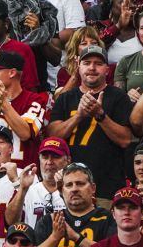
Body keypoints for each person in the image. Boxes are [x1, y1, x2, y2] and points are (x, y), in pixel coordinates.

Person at [47, 45, 133, 195]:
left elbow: (125, 140)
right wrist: (78, 116)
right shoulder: (66, 98)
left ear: (107, 69)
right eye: (87, 63)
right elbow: (53, 137)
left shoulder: (119, 97)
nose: (92, 68)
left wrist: (100, 115)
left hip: (106, 188)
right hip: (68, 188)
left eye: (98, 64)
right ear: (78, 67)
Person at [0, 50, 49, 164]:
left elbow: (25, 134)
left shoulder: (34, 100)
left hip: (21, 174)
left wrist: (3, 103)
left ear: (12, 73)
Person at [5, 137, 71, 228]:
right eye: (45, 157)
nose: (49, 162)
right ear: (39, 159)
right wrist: (22, 189)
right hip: (34, 242)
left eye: (56, 156)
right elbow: (10, 223)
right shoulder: (27, 190)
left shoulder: (75, 190)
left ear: (68, 160)